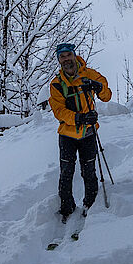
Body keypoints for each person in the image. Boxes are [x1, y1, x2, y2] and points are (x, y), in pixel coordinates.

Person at [48, 42, 112, 221]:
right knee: (66, 172)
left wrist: (98, 87)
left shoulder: (90, 75)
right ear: (59, 60)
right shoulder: (57, 84)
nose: (66, 59)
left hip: (89, 133)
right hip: (67, 134)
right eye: (62, 56)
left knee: (89, 170)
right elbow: (59, 111)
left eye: (68, 55)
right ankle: (66, 208)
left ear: (74, 55)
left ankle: (90, 204)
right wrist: (79, 118)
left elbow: (106, 96)